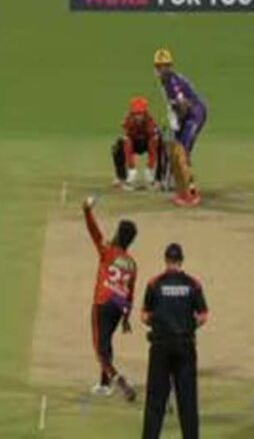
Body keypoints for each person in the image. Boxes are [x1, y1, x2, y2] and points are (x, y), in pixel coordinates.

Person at [141, 243, 208, 439]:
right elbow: (203, 316)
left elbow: (144, 316)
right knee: (188, 401)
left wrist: (157, 323)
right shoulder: (193, 284)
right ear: (181, 260)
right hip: (185, 346)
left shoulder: (154, 284)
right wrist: (189, 326)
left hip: (160, 347)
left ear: (166, 260)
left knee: (155, 401)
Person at [82, 196, 138, 401]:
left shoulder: (107, 250)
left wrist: (86, 211)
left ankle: (117, 379)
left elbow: (94, 232)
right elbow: (130, 293)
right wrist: (126, 318)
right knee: (107, 342)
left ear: (118, 235)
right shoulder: (131, 264)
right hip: (118, 305)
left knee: (100, 349)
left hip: (103, 301)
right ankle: (104, 384)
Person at [153, 48, 207, 207]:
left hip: (194, 115)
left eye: (165, 65)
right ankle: (184, 190)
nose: (162, 69)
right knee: (177, 152)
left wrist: (177, 122)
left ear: (170, 66)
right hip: (187, 116)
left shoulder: (172, 82)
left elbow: (183, 105)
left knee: (181, 152)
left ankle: (190, 194)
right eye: (159, 66)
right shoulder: (165, 82)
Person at [111, 96, 162, 190]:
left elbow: (152, 145)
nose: (138, 117)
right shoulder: (128, 121)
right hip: (133, 143)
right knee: (117, 147)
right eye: (135, 114)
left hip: (147, 143)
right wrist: (132, 168)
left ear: (145, 113)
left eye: (140, 114)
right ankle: (122, 177)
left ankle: (159, 179)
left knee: (161, 146)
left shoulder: (150, 122)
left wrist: (150, 167)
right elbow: (127, 144)